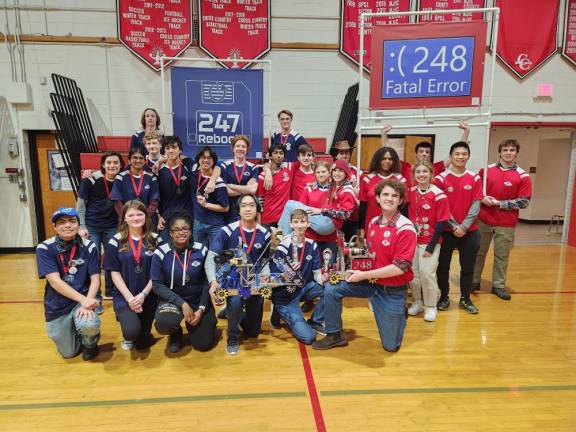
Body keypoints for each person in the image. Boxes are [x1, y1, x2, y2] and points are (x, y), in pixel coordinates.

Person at [312, 179, 417, 352]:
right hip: (370, 282)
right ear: (377, 197)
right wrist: (352, 267)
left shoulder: (405, 227)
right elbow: (370, 254)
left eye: (394, 196)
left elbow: (399, 267)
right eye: (385, 194)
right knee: (332, 286)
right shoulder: (374, 222)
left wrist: (363, 275)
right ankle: (334, 334)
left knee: (391, 346)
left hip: (392, 290)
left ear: (400, 201)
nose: (389, 199)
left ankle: (399, 313)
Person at [206, 193, 271, 356]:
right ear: (238, 209)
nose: (248, 208)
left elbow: (264, 262)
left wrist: (265, 280)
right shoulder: (226, 231)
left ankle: (230, 313)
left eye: (252, 205)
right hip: (232, 281)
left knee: (253, 332)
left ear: (257, 209)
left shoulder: (266, 233)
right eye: (244, 205)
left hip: (253, 283)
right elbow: (210, 259)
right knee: (235, 301)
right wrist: (213, 281)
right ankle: (232, 336)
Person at [36, 208, 101, 360]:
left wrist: (86, 302)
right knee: (68, 353)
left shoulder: (89, 246)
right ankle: (75, 332)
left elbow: (96, 279)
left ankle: (90, 343)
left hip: (83, 300)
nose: (67, 226)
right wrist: (83, 300)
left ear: (79, 224)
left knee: (89, 325)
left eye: (72, 221)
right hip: (57, 304)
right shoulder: (44, 248)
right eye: (62, 222)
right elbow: (55, 282)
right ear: (55, 227)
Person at [151, 209, 218, 354]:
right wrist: (182, 304)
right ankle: (175, 334)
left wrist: (200, 309)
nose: (181, 232)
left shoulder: (201, 250)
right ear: (170, 233)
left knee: (203, 345)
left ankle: (208, 323)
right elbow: (157, 285)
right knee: (164, 323)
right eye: (177, 229)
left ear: (190, 231)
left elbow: (207, 282)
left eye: (185, 229)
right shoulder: (160, 253)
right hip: (173, 301)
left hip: (197, 300)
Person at [473, 139, 532, 300]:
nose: (508, 153)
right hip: (483, 220)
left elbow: (524, 201)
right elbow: (475, 190)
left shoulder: (523, 176)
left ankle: (498, 286)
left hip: (506, 223)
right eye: (505, 149)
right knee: (478, 253)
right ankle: (474, 281)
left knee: (502, 256)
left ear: (516, 153)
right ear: (499, 152)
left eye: (512, 150)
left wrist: (499, 203)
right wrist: (482, 198)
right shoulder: (486, 171)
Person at [106, 200, 160, 351]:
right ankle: (126, 323)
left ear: (146, 216)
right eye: (131, 215)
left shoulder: (156, 239)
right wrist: (130, 298)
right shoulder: (115, 241)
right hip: (125, 296)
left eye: (139, 214)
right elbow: (114, 272)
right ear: (124, 218)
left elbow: (157, 272)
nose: (136, 218)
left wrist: (143, 295)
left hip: (148, 296)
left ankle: (138, 328)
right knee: (131, 333)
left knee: (143, 344)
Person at [435, 141, 482, 314]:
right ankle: (444, 296)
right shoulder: (440, 179)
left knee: (468, 268)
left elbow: (476, 204)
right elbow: (442, 207)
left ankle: (465, 299)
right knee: (443, 267)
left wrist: (464, 227)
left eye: (464, 154)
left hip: (470, 232)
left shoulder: (475, 177)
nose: (460, 157)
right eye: (457, 154)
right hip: (447, 232)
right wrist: (455, 226)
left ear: (468, 156)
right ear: (451, 156)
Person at [269, 209, 325, 344]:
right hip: (286, 296)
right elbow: (274, 275)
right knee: (309, 337)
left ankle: (315, 321)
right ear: (291, 224)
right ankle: (278, 308)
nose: (299, 225)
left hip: (303, 288)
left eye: (302, 221)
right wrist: (289, 272)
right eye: (296, 222)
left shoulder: (312, 245)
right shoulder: (284, 245)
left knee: (331, 289)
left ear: (308, 224)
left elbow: (317, 273)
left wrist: (328, 280)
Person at [406, 161, 451, 322]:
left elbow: (441, 223)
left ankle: (430, 306)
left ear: (431, 174)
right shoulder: (410, 192)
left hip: (430, 241)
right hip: (412, 241)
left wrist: (431, 246)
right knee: (414, 274)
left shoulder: (439, 195)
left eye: (425, 171)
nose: (421, 175)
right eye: (418, 172)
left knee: (427, 273)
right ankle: (418, 301)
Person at [77, 151, 124, 300]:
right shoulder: (90, 181)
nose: (112, 165)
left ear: (121, 165)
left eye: (116, 162)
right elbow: (80, 206)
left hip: (112, 227)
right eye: (109, 162)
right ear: (103, 164)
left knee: (112, 259)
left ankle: (110, 291)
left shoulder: (122, 181)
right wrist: (81, 226)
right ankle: (95, 296)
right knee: (93, 261)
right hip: (92, 226)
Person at [381, 123, 470, 181]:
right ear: (416, 154)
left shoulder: (436, 168)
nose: (424, 154)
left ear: (430, 155)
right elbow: (388, 152)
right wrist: (384, 134)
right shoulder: (406, 167)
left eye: (427, 152)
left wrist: (466, 132)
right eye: (421, 151)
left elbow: (458, 151)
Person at [359, 147, 407, 236]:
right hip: (371, 225)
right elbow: (363, 206)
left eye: (390, 159)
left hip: (394, 226)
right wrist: (361, 228)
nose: (387, 161)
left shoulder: (400, 179)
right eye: (384, 159)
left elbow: (404, 207)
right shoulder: (367, 179)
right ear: (377, 160)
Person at [156, 136, 194, 242]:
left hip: (187, 217)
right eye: (167, 148)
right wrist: (158, 216)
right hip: (166, 218)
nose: (171, 150)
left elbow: (215, 167)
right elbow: (154, 197)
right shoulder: (158, 171)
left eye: (174, 147)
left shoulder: (188, 166)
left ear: (180, 150)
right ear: (164, 151)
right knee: (167, 251)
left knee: (187, 251)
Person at [191, 146, 229, 247]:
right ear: (198, 160)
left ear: (213, 161)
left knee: (215, 255)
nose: (206, 160)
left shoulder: (219, 182)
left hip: (215, 225)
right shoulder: (193, 176)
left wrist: (206, 204)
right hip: (197, 223)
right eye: (203, 157)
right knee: (197, 255)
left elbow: (225, 208)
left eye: (209, 158)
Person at [111, 145, 159, 219]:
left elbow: (154, 202)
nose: (138, 160)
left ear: (145, 160)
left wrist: (144, 218)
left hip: (147, 219)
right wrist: (126, 218)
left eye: (141, 158)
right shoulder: (120, 177)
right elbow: (117, 202)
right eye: (135, 157)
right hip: (127, 219)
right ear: (129, 160)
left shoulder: (151, 177)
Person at [219, 135, 259, 223]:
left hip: (247, 212)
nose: (240, 148)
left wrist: (231, 185)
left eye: (243, 146)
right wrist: (246, 189)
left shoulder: (253, 167)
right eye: (237, 146)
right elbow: (225, 191)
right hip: (229, 213)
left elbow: (253, 189)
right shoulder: (225, 166)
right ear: (233, 149)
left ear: (247, 150)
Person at [330, 139, 363, 241]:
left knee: (350, 248)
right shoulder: (329, 172)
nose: (344, 155)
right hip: (333, 217)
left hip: (352, 218)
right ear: (336, 155)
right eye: (341, 152)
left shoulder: (357, 173)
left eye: (347, 152)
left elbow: (363, 196)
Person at [257, 143, 294, 228]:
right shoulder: (262, 177)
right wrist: (259, 224)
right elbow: (260, 200)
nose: (278, 155)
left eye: (281, 153)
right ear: (270, 156)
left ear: (284, 156)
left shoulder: (289, 169)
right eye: (275, 153)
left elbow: (306, 162)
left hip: (284, 219)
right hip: (267, 219)